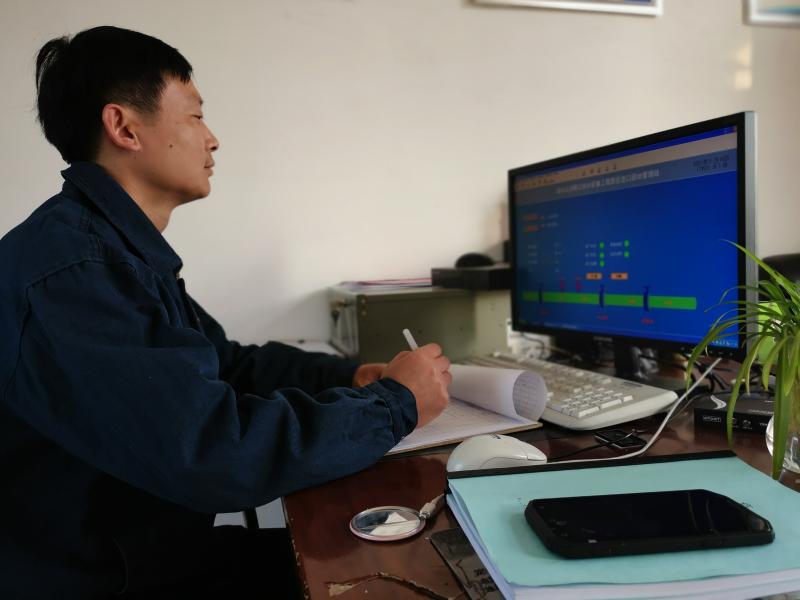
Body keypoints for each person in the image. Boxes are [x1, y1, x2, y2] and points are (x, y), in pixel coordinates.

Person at [0, 25, 451, 599]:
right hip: (98, 578)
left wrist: (348, 376)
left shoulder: (112, 251)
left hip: (144, 550)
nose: (212, 140)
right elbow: (215, 454)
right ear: (124, 127)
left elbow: (226, 365)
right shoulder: (75, 273)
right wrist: (395, 405)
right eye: (195, 116)